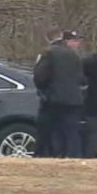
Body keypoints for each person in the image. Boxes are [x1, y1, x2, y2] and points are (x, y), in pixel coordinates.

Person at [33, 29, 87, 158]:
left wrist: (44, 91)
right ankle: (73, 156)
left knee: (48, 130)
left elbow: (40, 76)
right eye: (75, 41)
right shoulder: (75, 56)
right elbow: (81, 79)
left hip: (53, 99)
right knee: (71, 133)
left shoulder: (48, 52)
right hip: (74, 99)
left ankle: (45, 155)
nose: (77, 44)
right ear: (65, 41)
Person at [34, 28, 63, 157]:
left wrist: (43, 91)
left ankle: (43, 153)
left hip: (49, 96)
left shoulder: (46, 54)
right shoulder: (70, 54)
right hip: (64, 97)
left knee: (46, 128)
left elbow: (39, 76)